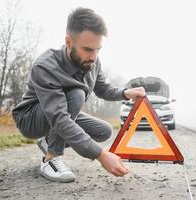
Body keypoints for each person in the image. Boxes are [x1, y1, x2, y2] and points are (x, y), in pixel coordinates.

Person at [12, 7, 146, 183]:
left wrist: (125, 93)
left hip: (58, 113)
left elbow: (102, 89)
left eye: (98, 49)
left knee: (103, 131)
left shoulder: (93, 61)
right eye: (88, 49)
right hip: (31, 118)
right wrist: (101, 155)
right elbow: (59, 118)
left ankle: (49, 140)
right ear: (68, 42)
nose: (94, 56)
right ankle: (51, 158)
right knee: (76, 94)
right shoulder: (46, 66)